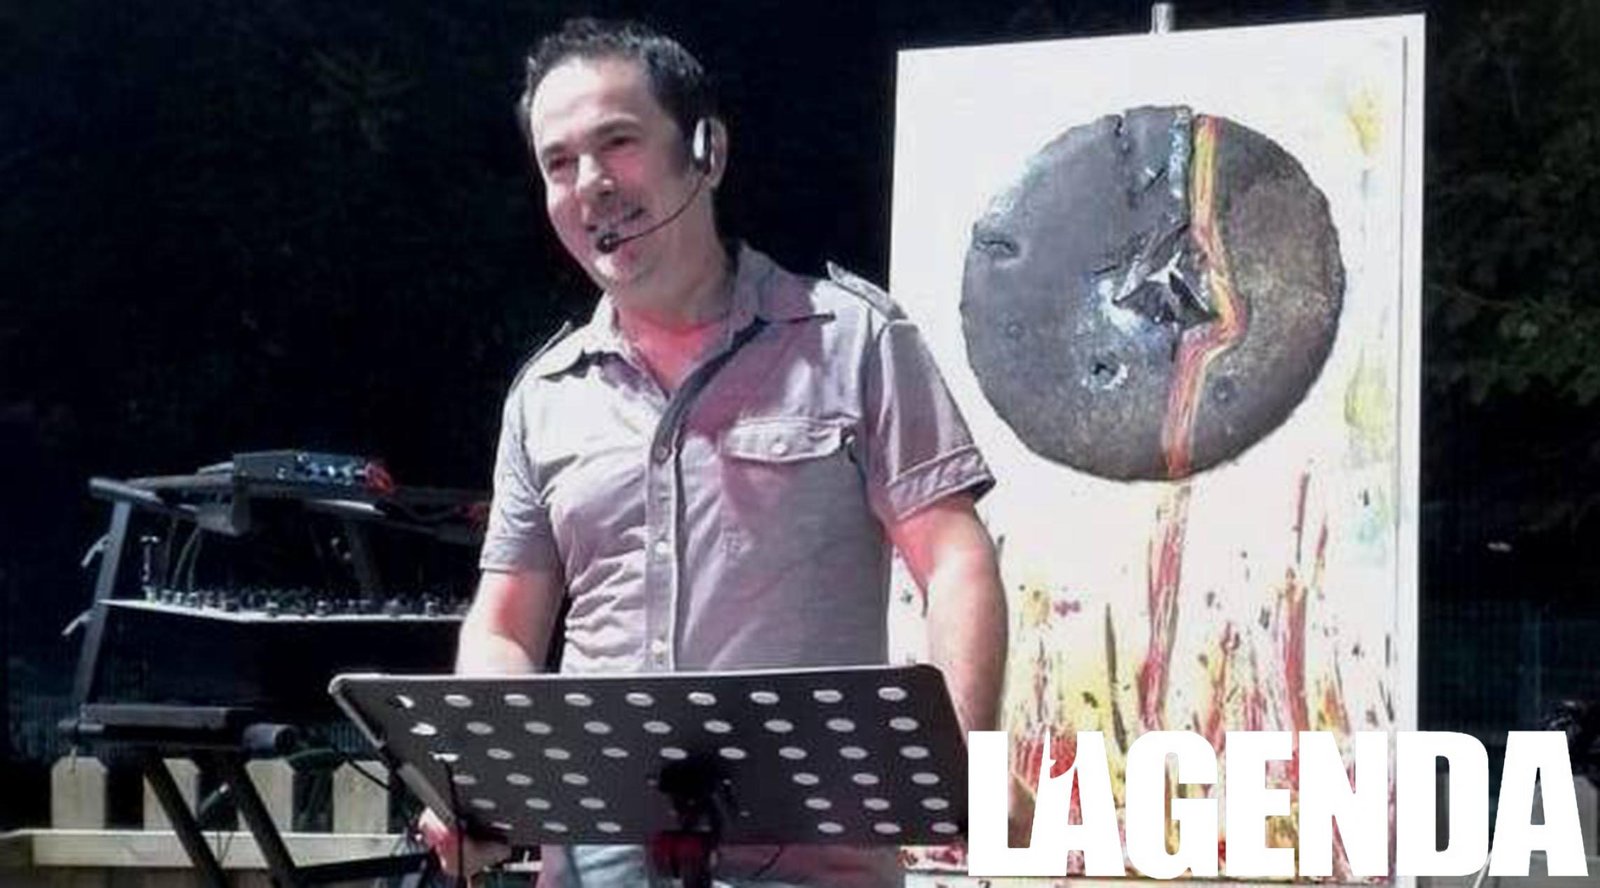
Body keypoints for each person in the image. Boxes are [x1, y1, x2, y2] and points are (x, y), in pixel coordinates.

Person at [420, 17, 1007, 887]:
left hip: (815, 869)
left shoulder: (854, 340)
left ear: (708, 152)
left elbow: (954, 558)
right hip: (596, 869)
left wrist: (958, 768)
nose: (590, 184)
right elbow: (505, 625)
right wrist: (482, 776)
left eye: (618, 143)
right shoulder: (545, 396)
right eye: (559, 162)